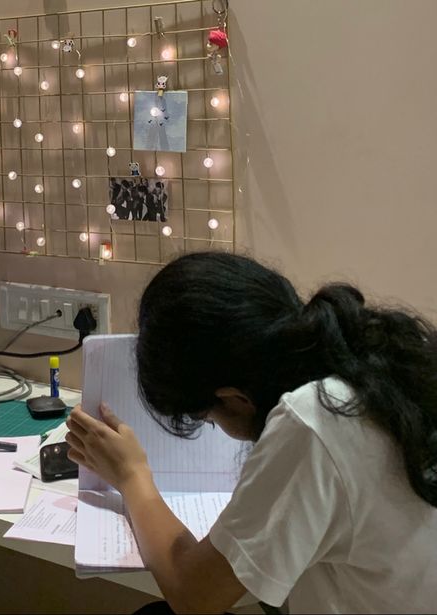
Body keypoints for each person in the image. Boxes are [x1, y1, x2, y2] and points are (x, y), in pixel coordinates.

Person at [66, 252, 437, 614]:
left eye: (208, 417)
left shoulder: (312, 421)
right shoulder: (379, 363)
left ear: (236, 398)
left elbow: (195, 595)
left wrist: (131, 475)